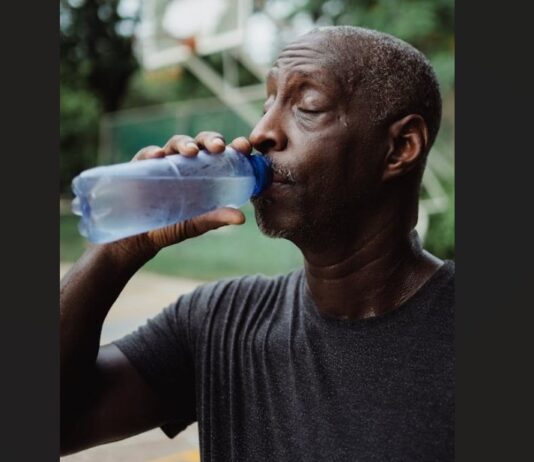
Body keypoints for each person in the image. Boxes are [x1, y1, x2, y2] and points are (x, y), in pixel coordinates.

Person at [60, 25, 454, 461]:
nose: (262, 132)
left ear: (400, 147)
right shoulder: (219, 322)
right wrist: (117, 248)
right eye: (268, 102)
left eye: (307, 105)